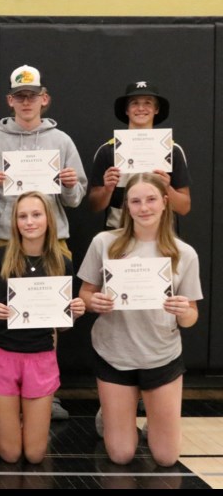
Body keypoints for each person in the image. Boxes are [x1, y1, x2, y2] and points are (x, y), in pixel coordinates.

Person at [0, 65, 87, 420]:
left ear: (44, 99)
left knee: (47, 314)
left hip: (52, 243)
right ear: (10, 100)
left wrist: (68, 183)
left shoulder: (62, 142)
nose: (26, 102)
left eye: (32, 96)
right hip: (5, 239)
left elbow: (76, 198)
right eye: (19, 96)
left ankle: (45, 393)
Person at [78, 172, 201, 467]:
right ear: (126, 207)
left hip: (161, 355)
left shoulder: (184, 254)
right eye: (135, 201)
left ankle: (150, 418)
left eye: (150, 200)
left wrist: (182, 311)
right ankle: (114, 414)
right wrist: (93, 303)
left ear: (164, 203)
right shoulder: (104, 243)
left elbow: (191, 318)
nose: (143, 207)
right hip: (115, 353)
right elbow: (83, 295)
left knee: (166, 457)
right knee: (121, 455)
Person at [0, 192, 85, 464]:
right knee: (11, 454)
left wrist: (73, 314)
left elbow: (62, 327)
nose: (29, 222)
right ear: (15, 221)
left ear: (49, 219)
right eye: (23, 216)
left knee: (34, 455)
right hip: (1, 355)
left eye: (36, 215)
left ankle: (14, 425)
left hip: (40, 357)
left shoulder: (61, 263)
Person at [88, 81, 191, 228]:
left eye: (148, 103)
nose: (141, 108)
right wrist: (107, 190)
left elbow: (184, 207)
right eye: (134, 103)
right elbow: (94, 206)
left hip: (161, 234)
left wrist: (167, 188)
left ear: (156, 109)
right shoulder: (107, 150)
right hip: (118, 232)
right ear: (126, 110)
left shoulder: (172, 150)